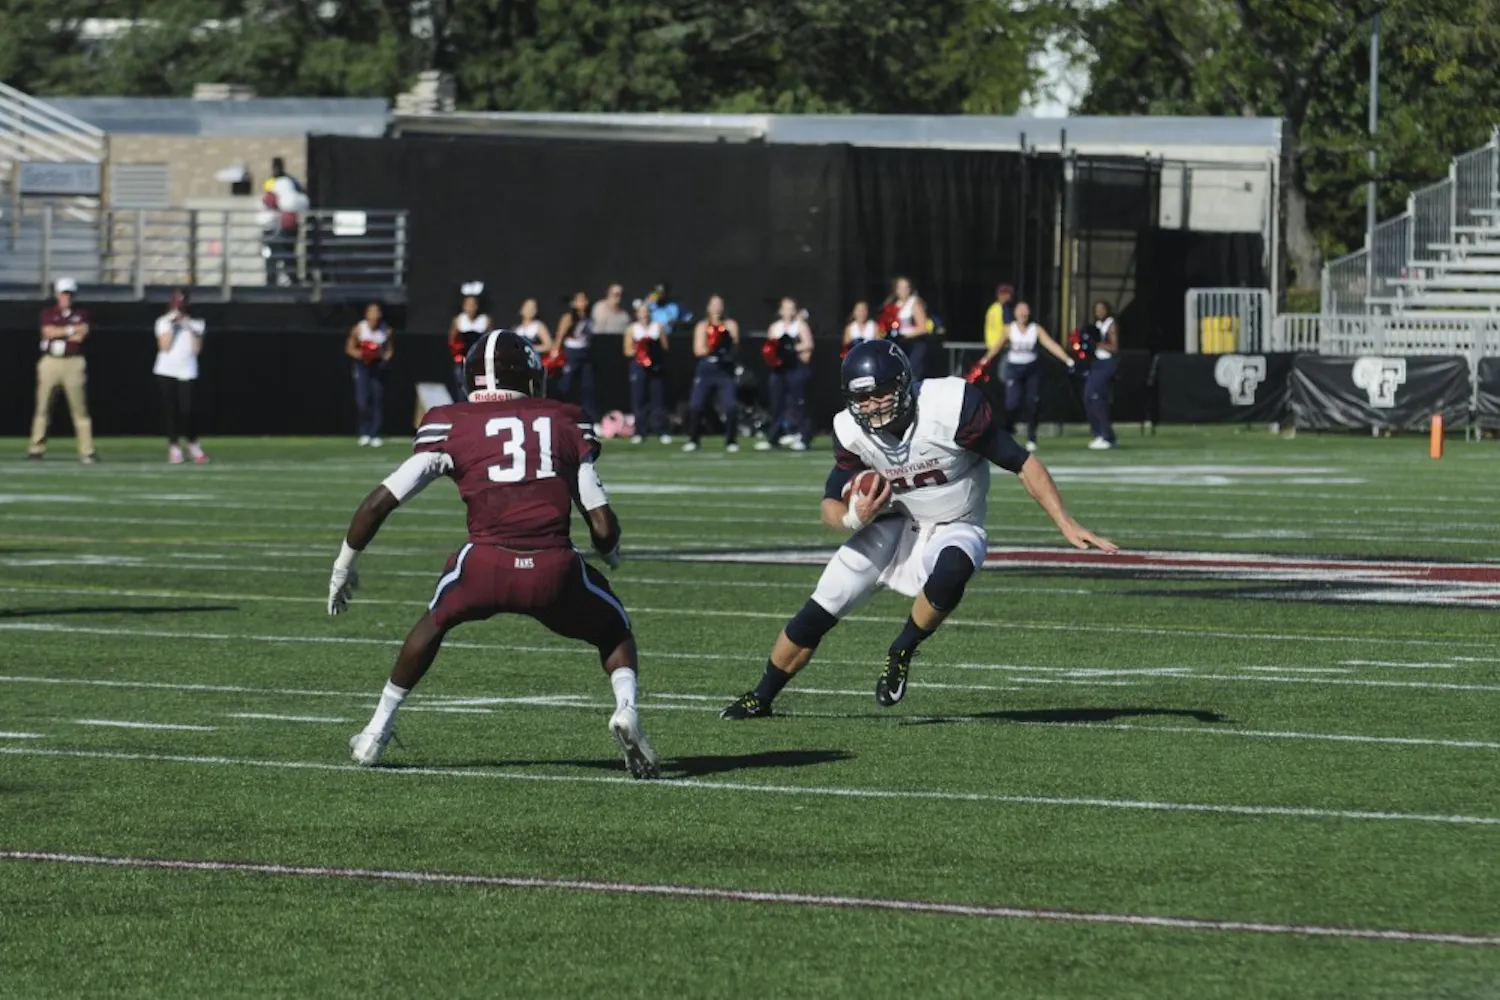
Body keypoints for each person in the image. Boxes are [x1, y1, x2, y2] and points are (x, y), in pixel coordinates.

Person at [721, 339, 1117, 720]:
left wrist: (1065, 521)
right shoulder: (851, 431)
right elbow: (829, 502)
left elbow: (1021, 462)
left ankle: (902, 650)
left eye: (881, 394)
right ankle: (762, 696)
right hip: (894, 522)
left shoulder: (949, 408)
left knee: (953, 570)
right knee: (820, 609)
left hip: (956, 521)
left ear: (904, 384)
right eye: (862, 398)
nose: (872, 406)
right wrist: (853, 518)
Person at [327, 329, 659, 778]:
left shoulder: (450, 422)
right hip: (553, 569)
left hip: (484, 565)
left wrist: (344, 565)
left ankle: (375, 731)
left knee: (434, 621)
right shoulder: (564, 420)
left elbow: (381, 500)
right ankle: (625, 708)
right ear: (530, 375)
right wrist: (612, 550)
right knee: (615, 629)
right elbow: (601, 527)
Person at [977, 300, 1074, 454]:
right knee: (1011, 403)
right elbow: (997, 346)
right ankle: (1007, 430)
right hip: (1014, 369)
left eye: (1025, 310)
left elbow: (1050, 344)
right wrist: (984, 360)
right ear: (1015, 313)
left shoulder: (1035, 329)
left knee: (1032, 402)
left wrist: (1067, 359)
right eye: (1020, 311)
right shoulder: (1009, 329)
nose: (1023, 314)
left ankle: (1031, 437)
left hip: (1032, 369)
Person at [28, 277, 97, 464]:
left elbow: (81, 335)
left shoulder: (82, 313)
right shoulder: (48, 313)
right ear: (57, 294)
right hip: (51, 361)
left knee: (79, 409)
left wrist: (63, 332)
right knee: (43, 407)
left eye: (69, 293)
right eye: (64, 293)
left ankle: (86, 450)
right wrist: (69, 330)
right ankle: (36, 447)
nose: (67, 297)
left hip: (73, 362)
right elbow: (48, 331)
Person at [152, 288, 209, 465]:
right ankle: (174, 446)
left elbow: (197, 349)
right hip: (166, 370)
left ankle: (193, 443)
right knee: (171, 410)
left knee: (188, 410)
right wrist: (174, 327)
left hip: (188, 370)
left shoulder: (198, 323)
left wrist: (188, 326)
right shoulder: (162, 322)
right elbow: (164, 346)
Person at [684, 294, 740, 453]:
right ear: (708, 308)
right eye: (713, 305)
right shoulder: (702, 326)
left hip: (724, 369)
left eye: (719, 305)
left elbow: (734, 346)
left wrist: (725, 343)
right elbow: (698, 350)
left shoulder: (730, 324)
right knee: (696, 405)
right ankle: (693, 439)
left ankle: (731, 440)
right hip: (706, 368)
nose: (716, 308)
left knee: (730, 406)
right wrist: (713, 346)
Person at [757, 297, 814, 452]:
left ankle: (803, 437)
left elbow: (808, 344)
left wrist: (792, 348)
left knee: (798, 404)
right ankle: (774, 437)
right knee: (777, 404)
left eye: (791, 308)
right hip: (779, 370)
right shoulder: (775, 327)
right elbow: (769, 348)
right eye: (786, 308)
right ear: (780, 310)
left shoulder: (800, 326)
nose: (788, 311)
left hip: (795, 369)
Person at [346, 302, 394, 447]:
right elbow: (350, 348)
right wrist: (362, 355)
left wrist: (385, 357)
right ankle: (364, 432)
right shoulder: (359, 329)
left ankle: (375, 433)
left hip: (377, 366)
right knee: (363, 400)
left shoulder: (386, 330)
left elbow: (389, 349)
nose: (375, 316)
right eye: (372, 312)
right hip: (363, 367)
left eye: (377, 312)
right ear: (367, 314)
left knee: (377, 398)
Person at [624, 300, 670, 444]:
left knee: (658, 398)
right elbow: (627, 350)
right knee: (639, 400)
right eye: (641, 312)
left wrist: (653, 350)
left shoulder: (658, 327)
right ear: (637, 314)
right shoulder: (632, 329)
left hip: (655, 366)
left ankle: (660, 430)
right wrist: (641, 350)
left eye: (646, 312)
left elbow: (665, 346)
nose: (644, 315)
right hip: (639, 366)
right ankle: (640, 431)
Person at [260, 156, 308, 286]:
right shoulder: (270, 182)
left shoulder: (290, 181)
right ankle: (272, 281)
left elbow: (299, 198)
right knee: (271, 255)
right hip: (272, 225)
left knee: (287, 253)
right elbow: (267, 201)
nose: (275, 169)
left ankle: (293, 280)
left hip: (287, 225)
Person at [1085, 300, 1122, 450]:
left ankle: (1104, 435)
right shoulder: (1097, 326)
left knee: (1096, 397)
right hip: (1098, 363)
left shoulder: (1111, 324)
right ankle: (1103, 434)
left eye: (1102, 309)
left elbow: (1114, 347)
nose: (1099, 312)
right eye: (1097, 309)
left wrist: (1096, 344)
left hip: (1108, 363)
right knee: (1089, 397)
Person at [556, 291, 598, 419]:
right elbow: (560, 335)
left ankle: (589, 417)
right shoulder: (568, 317)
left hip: (585, 353)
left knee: (588, 386)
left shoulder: (589, 319)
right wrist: (556, 350)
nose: (583, 303)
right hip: (572, 352)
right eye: (579, 300)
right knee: (566, 384)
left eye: (585, 300)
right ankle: (558, 413)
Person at [880, 276, 931, 379]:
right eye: (900, 287)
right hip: (900, 345)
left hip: (915, 345)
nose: (903, 290)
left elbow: (923, 328)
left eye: (906, 288)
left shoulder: (914, 303)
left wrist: (903, 335)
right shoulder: (892, 305)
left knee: (912, 375)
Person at [447, 282, 491, 398]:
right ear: (464, 306)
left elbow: (490, 339)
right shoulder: (459, 320)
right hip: (462, 360)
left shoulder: (484, 320)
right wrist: (458, 353)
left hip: (480, 361)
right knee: (462, 385)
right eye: (468, 305)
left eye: (473, 305)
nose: (471, 308)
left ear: (477, 306)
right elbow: (452, 340)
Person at [983, 283, 1016, 357]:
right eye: (1009, 294)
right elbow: (1008, 328)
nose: (1011, 296)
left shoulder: (992, 308)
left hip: (990, 345)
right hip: (1002, 346)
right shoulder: (1005, 309)